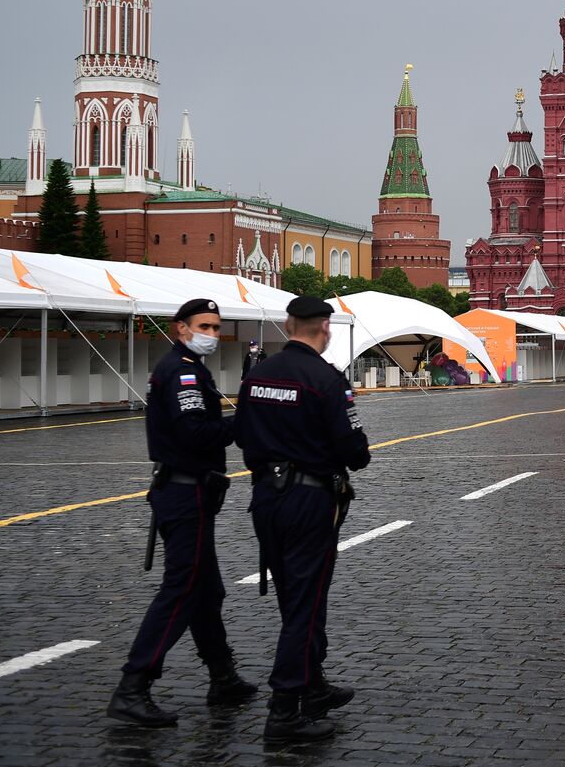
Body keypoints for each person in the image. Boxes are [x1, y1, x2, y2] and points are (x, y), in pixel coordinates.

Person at [107, 299, 256, 728]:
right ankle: (133, 686)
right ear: (180, 328)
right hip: (184, 491)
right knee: (183, 589)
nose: (211, 332)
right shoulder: (182, 372)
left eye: (215, 325)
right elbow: (195, 432)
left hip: (193, 491)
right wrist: (242, 423)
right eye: (203, 325)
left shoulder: (191, 366)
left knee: (207, 592)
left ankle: (222, 676)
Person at [235, 296, 372, 740]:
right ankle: (284, 710)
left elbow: (242, 435)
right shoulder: (325, 378)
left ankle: (312, 686)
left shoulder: (257, 375)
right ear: (324, 329)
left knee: (295, 598)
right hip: (309, 501)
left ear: (289, 324)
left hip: (265, 498)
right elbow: (355, 452)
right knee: (304, 604)